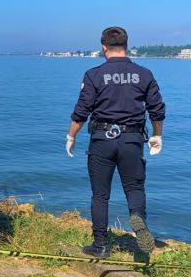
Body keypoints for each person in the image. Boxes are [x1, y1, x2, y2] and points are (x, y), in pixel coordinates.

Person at [66, 26, 165, 261]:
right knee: (134, 188)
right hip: (132, 139)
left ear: (103, 47)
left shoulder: (93, 74)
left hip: (102, 139)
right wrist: (157, 135)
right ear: (126, 45)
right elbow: (157, 110)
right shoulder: (144, 74)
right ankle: (137, 217)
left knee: (100, 195)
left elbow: (81, 112)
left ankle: (100, 245)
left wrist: (71, 137)